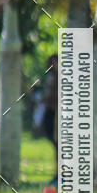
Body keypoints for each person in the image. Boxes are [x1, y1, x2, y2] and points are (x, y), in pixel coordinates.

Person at [42, 54, 58, 184]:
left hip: (57, 113)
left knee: (59, 145)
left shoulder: (62, 78)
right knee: (56, 145)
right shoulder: (50, 77)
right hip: (50, 112)